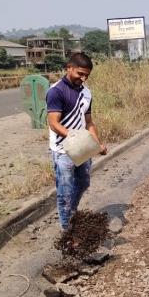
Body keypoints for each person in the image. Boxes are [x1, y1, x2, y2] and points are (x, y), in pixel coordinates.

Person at [46, 52, 107, 231]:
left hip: (82, 149)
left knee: (84, 183)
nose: (83, 78)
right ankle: (67, 230)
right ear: (69, 68)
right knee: (64, 192)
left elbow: (89, 122)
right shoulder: (56, 91)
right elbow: (53, 123)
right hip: (63, 150)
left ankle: (71, 212)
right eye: (80, 73)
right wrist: (75, 138)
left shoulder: (87, 93)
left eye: (87, 75)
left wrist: (97, 144)